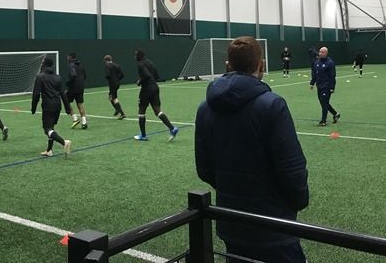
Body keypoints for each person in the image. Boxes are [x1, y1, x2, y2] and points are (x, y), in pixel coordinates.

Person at [195, 36, 309, 263]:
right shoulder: (273, 105)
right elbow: (292, 170)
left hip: (231, 223)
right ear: (262, 65)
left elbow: (204, 169)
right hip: (274, 228)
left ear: (228, 65)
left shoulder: (205, 108)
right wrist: (296, 201)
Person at [134, 49, 178, 141]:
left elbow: (146, 76)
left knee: (141, 111)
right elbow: (156, 76)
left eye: (135, 55)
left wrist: (139, 81)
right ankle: (172, 128)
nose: (135, 57)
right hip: (155, 87)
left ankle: (143, 136)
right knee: (157, 111)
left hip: (146, 89)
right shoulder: (150, 62)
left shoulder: (140, 64)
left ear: (139, 56)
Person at [31, 58, 71, 158]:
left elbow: (36, 94)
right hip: (57, 106)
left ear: (44, 64)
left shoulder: (40, 77)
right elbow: (62, 93)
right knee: (51, 128)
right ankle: (49, 150)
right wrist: (67, 108)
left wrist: (33, 108)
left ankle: (64, 142)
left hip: (48, 106)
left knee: (47, 129)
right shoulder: (57, 77)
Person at [310, 47, 340, 126]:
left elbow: (332, 76)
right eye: (320, 52)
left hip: (326, 86)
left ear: (326, 53)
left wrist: (332, 87)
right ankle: (336, 114)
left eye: (322, 52)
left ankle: (323, 121)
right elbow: (315, 74)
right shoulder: (317, 62)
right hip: (319, 86)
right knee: (324, 103)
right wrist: (312, 83)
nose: (320, 53)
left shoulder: (330, 63)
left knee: (324, 103)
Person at [66, 53, 88, 129]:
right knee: (80, 104)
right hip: (81, 87)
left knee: (66, 102)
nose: (67, 58)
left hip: (73, 88)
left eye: (67, 56)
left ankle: (75, 118)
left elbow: (73, 75)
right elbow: (85, 76)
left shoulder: (70, 65)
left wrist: (68, 83)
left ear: (70, 57)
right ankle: (84, 122)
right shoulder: (81, 65)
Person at [103, 55, 125, 119]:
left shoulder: (107, 66)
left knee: (114, 98)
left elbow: (108, 75)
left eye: (105, 61)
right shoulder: (117, 65)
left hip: (112, 84)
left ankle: (122, 113)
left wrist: (109, 78)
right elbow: (122, 75)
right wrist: (117, 79)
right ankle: (117, 109)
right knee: (110, 96)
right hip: (117, 83)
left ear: (106, 60)